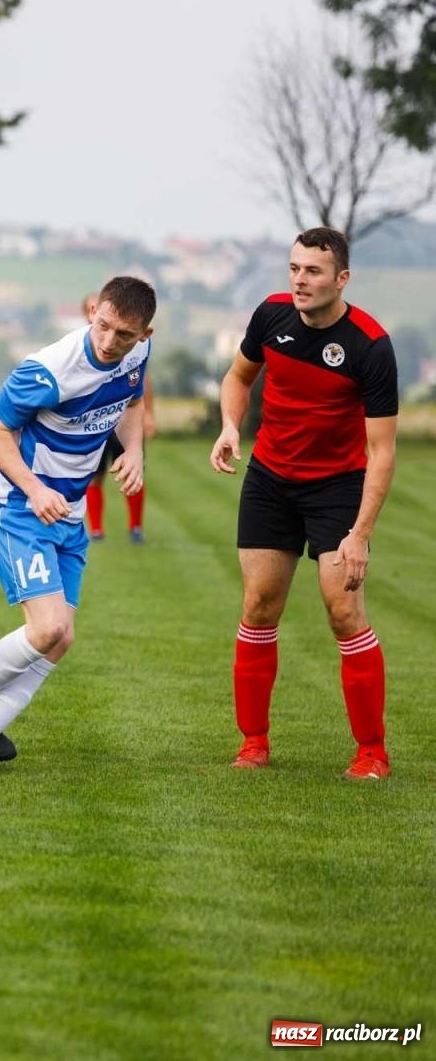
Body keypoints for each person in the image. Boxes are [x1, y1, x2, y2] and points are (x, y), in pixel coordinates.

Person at [0, 276, 156, 772]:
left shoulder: (137, 355)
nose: (108, 342)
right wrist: (35, 490)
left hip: (69, 511)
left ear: (144, 333)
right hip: (20, 506)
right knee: (48, 627)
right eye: (102, 326)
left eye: (123, 334)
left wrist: (135, 450)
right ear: (92, 311)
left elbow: (133, 402)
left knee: (61, 640)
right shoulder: (49, 369)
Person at [209, 227, 397, 780]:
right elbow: (238, 377)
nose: (299, 280)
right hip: (269, 479)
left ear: (342, 279)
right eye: (294, 268)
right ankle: (254, 744)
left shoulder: (369, 345)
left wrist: (359, 533)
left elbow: (382, 452)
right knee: (258, 606)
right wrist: (228, 425)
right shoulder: (270, 317)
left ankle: (371, 753)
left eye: (313, 271)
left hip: (337, 487)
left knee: (344, 613)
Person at [79, 291, 156, 543]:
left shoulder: (131, 346)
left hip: (125, 421)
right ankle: (97, 529)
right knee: (94, 476)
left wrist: (148, 415)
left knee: (133, 472)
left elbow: (142, 380)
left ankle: (136, 527)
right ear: (91, 312)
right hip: (95, 424)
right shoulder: (77, 349)